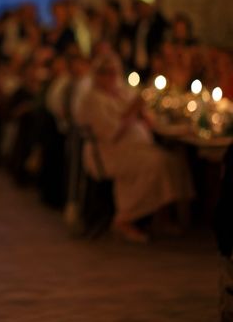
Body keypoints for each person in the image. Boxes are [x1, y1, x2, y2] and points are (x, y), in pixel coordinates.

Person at [77, 53, 194, 243]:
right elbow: (110, 133)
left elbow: (151, 122)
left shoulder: (123, 91)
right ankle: (124, 219)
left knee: (174, 161)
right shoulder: (93, 99)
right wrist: (131, 113)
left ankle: (160, 216)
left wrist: (175, 127)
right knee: (155, 164)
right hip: (110, 151)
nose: (111, 77)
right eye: (105, 73)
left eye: (114, 72)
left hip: (137, 146)